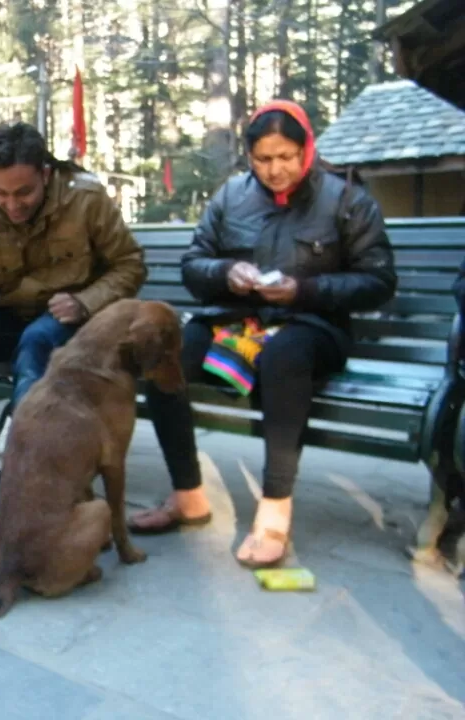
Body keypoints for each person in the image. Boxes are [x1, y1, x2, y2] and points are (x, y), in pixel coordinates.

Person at [125, 99, 397, 568]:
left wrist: (304, 289)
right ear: (249, 156)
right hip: (236, 321)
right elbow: (194, 264)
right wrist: (225, 272)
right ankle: (188, 495)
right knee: (167, 361)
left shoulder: (347, 199)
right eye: (263, 159)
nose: (275, 170)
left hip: (313, 325)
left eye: (286, 157)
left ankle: (274, 509)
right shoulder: (231, 196)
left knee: (282, 358)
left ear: (306, 149)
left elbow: (379, 281)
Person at [0, 121, 144, 528]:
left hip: (68, 321)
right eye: (1, 192)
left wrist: (86, 301)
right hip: (5, 318)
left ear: (46, 174)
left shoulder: (87, 199)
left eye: (24, 192)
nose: (12, 204)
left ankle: (14, 491)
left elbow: (130, 265)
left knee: (37, 343)